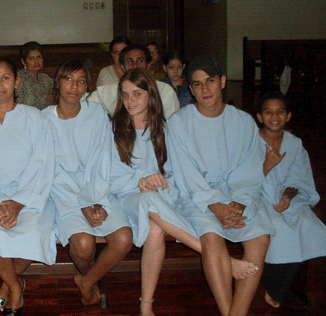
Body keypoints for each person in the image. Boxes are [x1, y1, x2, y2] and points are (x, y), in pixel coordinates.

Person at [110, 68, 259, 316]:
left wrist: (160, 181)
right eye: (125, 95)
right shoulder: (114, 130)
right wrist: (141, 181)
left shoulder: (165, 129)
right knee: (148, 200)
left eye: (137, 94)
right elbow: (110, 176)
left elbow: (175, 171)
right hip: (126, 197)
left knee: (157, 228)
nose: (130, 101)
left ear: (151, 96)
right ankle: (226, 262)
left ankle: (145, 304)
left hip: (161, 199)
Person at [166, 55, 274, 316]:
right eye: (197, 84)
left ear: (223, 82)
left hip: (237, 197)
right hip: (196, 197)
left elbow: (250, 169)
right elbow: (185, 174)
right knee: (212, 239)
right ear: (190, 89)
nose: (205, 90)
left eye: (210, 81)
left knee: (259, 237)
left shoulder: (243, 121)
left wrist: (240, 202)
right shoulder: (179, 122)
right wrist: (215, 205)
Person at [0, 58, 56, 316]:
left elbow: (42, 162)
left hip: (31, 197)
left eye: (6, 78)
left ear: (16, 82)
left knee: (35, 234)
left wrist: (17, 203)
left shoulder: (34, 117)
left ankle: (5, 286)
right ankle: (15, 286)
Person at [42, 60, 133, 306]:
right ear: (58, 82)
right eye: (68, 79)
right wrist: (80, 204)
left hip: (98, 191)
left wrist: (97, 200)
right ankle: (90, 277)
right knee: (83, 245)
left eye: (81, 81)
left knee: (123, 238)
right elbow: (50, 172)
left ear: (87, 87)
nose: (74, 86)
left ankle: (87, 281)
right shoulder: (43, 121)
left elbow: (103, 161)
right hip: (64, 196)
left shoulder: (96, 114)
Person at [256, 91, 326, 308]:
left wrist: (287, 196)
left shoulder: (294, 144)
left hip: (286, 197)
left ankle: (279, 283)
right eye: (268, 112)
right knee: (279, 229)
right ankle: (273, 286)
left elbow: (299, 178)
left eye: (280, 112)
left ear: (288, 116)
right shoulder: (250, 140)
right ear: (260, 117)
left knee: (310, 225)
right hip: (257, 197)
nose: (274, 117)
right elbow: (242, 179)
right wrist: (266, 166)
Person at [86, 44, 179, 118]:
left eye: (140, 61)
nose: (134, 66)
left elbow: (174, 125)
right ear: (122, 67)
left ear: (148, 65)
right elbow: (84, 103)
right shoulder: (111, 91)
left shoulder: (164, 90)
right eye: (129, 62)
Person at [16, 41, 54, 110]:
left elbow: (56, 92)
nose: (36, 61)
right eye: (31, 58)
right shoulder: (18, 79)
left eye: (39, 57)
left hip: (44, 117)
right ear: (23, 62)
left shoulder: (45, 78)